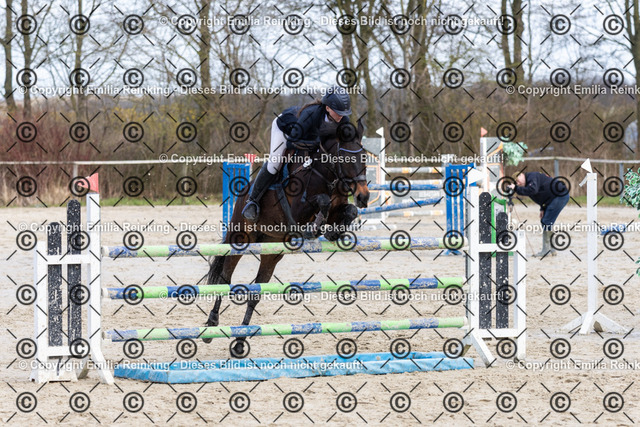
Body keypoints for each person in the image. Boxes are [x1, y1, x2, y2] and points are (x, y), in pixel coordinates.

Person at [241, 86, 352, 222]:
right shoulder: (311, 114)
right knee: (274, 163)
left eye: (344, 112)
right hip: (286, 130)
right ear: (327, 108)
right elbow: (291, 142)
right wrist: (316, 144)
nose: (341, 115)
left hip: (308, 138)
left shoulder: (343, 119)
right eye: (338, 112)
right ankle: (252, 201)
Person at [509, 171, 569, 257]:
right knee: (546, 221)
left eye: (518, 180)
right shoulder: (528, 184)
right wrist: (542, 208)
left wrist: (516, 188)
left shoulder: (532, 176)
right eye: (516, 183)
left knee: (546, 221)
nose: (518, 183)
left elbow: (533, 190)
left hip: (560, 195)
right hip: (554, 198)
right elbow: (541, 196)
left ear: (522, 175)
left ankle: (546, 250)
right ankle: (552, 249)